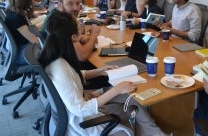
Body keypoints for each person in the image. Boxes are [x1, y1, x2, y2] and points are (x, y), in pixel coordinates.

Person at [38, 10, 167, 136]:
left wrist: (101, 71)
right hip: (81, 123)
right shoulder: (61, 67)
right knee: (130, 104)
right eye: (79, 29)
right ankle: (154, 132)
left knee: (130, 97)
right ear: (73, 37)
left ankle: (155, 133)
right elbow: (80, 109)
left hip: (80, 104)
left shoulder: (55, 57)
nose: (82, 32)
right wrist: (116, 89)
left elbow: (74, 77)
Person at [5, 0, 39, 65]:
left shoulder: (13, 13)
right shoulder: (16, 18)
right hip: (23, 54)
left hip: (21, 50)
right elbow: (35, 41)